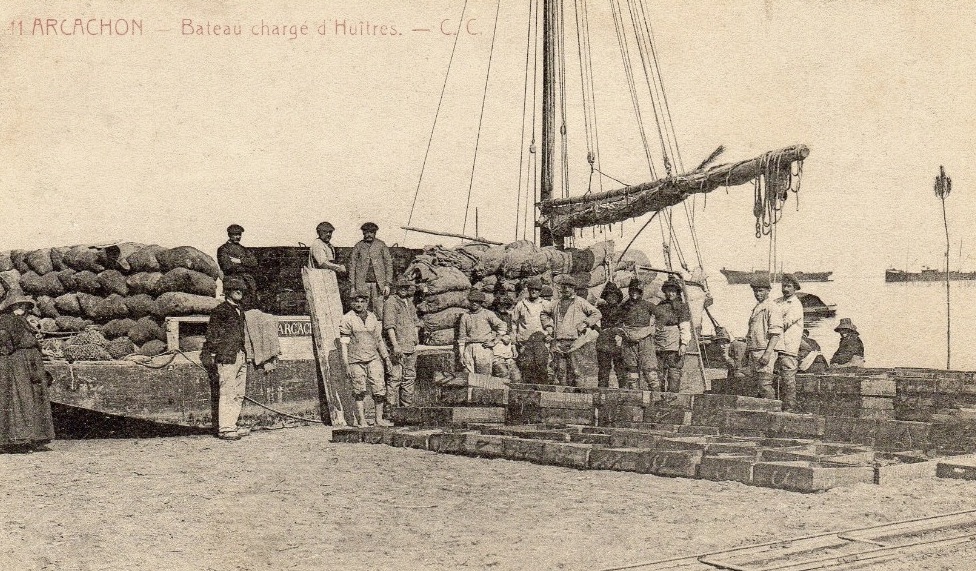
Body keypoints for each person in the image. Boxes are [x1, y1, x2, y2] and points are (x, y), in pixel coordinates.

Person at [0, 295, 54, 453]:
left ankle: (35, 438)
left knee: (36, 398)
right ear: (10, 307)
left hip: (32, 363)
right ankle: (18, 441)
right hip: (18, 364)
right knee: (21, 399)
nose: (21, 308)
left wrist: (41, 351)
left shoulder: (24, 322)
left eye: (23, 306)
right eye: (17, 305)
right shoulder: (6, 321)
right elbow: (5, 346)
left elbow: (31, 340)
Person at [202, 277, 250, 440]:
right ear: (227, 291)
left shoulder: (240, 310)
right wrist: (216, 353)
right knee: (227, 392)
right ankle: (225, 428)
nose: (239, 292)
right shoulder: (220, 310)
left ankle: (232, 424)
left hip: (240, 355)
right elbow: (212, 335)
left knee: (238, 393)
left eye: (241, 290)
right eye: (236, 289)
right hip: (227, 356)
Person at [340, 289, 394, 427]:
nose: (359, 304)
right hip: (356, 360)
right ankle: (362, 420)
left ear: (366, 303)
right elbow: (344, 344)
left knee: (379, 387)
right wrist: (346, 364)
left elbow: (379, 339)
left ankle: (378, 419)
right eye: (356, 301)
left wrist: (386, 358)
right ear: (352, 303)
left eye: (362, 301)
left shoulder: (372, 317)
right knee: (359, 390)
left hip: (373, 357)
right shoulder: (347, 318)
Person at [542, 274, 602, 387]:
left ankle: (579, 398)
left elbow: (597, 313)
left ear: (573, 288)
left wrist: (585, 323)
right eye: (563, 287)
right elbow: (544, 313)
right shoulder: (555, 303)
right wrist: (548, 326)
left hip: (576, 343)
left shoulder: (580, 302)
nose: (565, 289)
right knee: (561, 372)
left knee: (576, 371)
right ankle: (564, 398)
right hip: (559, 342)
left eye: (568, 287)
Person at [383, 277, 421, 407]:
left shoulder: (409, 303)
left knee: (409, 378)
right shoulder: (391, 302)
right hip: (398, 347)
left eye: (406, 287)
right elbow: (389, 326)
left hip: (410, 347)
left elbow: (415, 322)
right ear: (396, 288)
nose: (403, 290)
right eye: (401, 287)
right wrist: (395, 345)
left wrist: (416, 338)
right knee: (395, 378)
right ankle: (390, 410)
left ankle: (406, 408)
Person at [744, 275, 783, 399]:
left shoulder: (772, 307)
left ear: (768, 291)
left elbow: (776, 334)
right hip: (755, 350)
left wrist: (767, 354)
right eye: (755, 291)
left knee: (765, 384)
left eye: (760, 290)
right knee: (755, 384)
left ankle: (773, 410)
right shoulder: (757, 307)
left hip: (764, 350)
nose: (757, 293)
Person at [618, 278, 660, 391]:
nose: (634, 293)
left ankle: (656, 397)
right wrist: (621, 331)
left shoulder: (648, 305)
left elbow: (662, 315)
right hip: (629, 340)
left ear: (641, 292)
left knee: (650, 369)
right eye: (632, 291)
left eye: (637, 291)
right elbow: (616, 320)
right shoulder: (624, 306)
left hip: (645, 339)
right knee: (631, 370)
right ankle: (635, 396)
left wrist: (656, 327)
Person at [653, 276, 692, 392]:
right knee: (658, 372)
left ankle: (673, 398)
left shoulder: (682, 307)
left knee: (674, 371)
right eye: (668, 291)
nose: (670, 294)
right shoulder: (660, 305)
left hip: (675, 344)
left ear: (677, 292)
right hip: (659, 344)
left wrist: (684, 344)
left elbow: (685, 326)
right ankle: (658, 397)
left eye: (673, 291)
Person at [348, 222, 393, 319]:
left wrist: (387, 284)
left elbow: (388, 264)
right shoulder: (358, 246)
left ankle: (378, 332)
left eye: (371, 232)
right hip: (362, 284)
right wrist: (352, 286)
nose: (369, 234)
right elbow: (352, 266)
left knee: (379, 309)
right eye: (366, 232)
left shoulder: (381, 245)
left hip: (378, 284)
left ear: (375, 233)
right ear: (363, 233)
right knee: (361, 308)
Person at [457, 290, 508, 375]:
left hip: (483, 348)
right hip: (469, 348)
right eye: (472, 301)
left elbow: (502, 325)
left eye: (477, 301)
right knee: (468, 376)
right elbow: (462, 338)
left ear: (481, 302)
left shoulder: (487, 314)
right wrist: (461, 355)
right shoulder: (465, 316)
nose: (474, 303)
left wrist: (494, 342)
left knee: (484, 378)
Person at [511, 277, 550, 385]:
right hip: (525, 342)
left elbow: (551, 321)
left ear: (540, 291)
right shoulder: (521, 304)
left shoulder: (545, 304)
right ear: (528, 290)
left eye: (536, 289)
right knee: (526, 368)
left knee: (541, 367)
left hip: (540, 342)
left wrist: (548, 334)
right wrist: (514, 338)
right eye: (531, 289)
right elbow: (513, 323)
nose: (534, 291)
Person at [774, 274, 805, 411]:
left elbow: (784, 323)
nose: (785, 289)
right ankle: (776, 406)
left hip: (788, 347)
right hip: (775, 345)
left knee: (788, 378)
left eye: (788, 286)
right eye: (783, 286)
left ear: (795, 288)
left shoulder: (796, 305)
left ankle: (790, 407)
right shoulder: (777, 301)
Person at [216, 224, 259, 309]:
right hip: (232, 280)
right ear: (229, 235)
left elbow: (254, 262)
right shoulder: (223, 249)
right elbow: (227, 266)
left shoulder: (243, 249)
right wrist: (246, 265)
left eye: (239, 234)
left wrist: (239, 261)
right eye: (235, 234)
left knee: (250, 304)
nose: (238, 237)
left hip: (248, 281)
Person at [595, 283, 625, 389]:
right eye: (609, 295)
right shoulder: (600, 309)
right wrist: (600, 330)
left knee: (621, 370)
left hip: (618, 342)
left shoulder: (623, 310)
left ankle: (624, 394)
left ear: (618, 297)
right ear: (605, 297)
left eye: (614, 295)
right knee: (603, 369)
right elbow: (592, 320)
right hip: (604, 342)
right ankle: (602, 394)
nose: (612, 297)